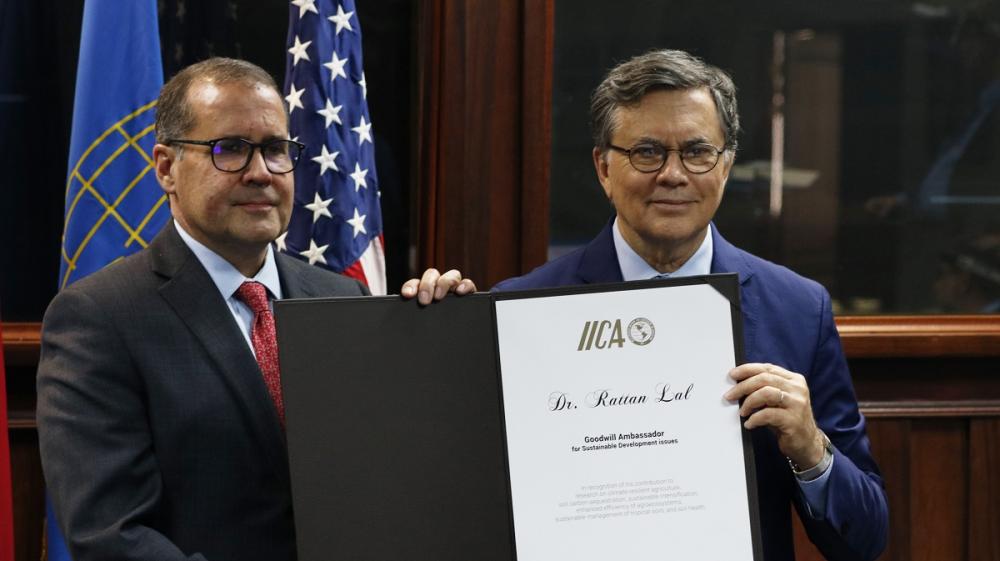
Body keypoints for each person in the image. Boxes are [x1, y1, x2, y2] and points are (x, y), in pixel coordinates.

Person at [37, 57, 473, 561]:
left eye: (275, 149)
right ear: (166, 168)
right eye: (231, 150)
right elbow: (111, 535)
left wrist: (442, 342)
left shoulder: (341, 299)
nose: (261, 173)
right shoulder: (98, 318)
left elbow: (388, 476)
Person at [494, 49, 888, 561]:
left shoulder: (796, 308)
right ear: (603, 168)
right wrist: (433, 324)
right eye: (647, 152)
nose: (674, 174)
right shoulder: (521, 311)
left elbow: (864, 542)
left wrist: (811, 450)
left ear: (725, 166)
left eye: (698, 152)